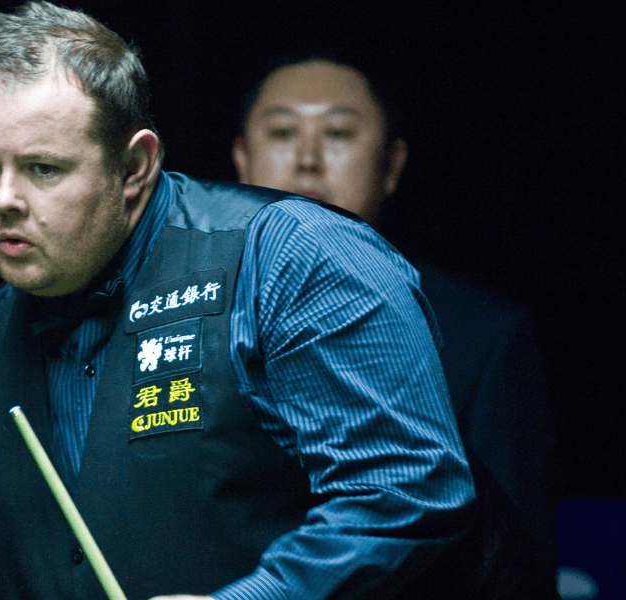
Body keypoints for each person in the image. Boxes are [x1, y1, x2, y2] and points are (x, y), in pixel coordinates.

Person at [0, 4, 484, 599]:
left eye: (44, 169)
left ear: (134, 166)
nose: (5, 199)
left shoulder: (291, 256)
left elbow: (402, 486)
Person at [232, 57, 558, 595]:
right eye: (283, 132)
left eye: (338, 133)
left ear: (392, 163)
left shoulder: (484, 335)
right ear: (242, 158)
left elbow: (520, 571)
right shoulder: (185, 311)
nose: (308, 161)